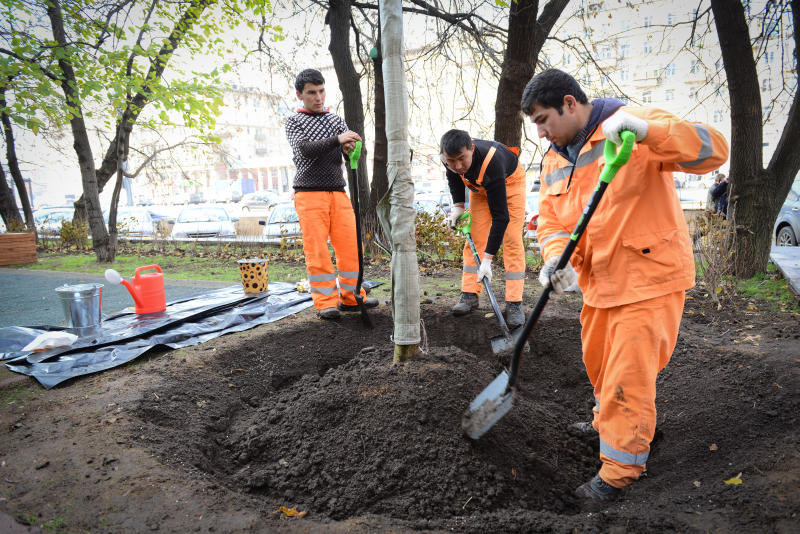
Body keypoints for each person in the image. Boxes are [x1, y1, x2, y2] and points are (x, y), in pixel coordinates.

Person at [520, 69, 728, 502]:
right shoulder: (556, 158)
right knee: (599, 365)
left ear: (570, 104)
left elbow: (714, 150)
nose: (540, 132)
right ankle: (607, 423)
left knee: (626, 377)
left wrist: (651, 132)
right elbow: (553, 220)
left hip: (648, 278)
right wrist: (556, 257)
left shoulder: (632, 125)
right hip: (600, 284)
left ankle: (619, 470)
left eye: (543, 119)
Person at [285, 68, 378, 320]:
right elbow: (304, 150)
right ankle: (325, 302)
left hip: (338, 191)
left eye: (321, 91)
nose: (318, 97)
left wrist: (349, 148)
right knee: (317, 250)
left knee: (351, 246)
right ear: (299, 95)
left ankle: (351, 297)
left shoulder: (336, 120)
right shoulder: (294, 121)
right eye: (312, 93)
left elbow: (342, 152)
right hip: (308, 193)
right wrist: (338, 140)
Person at [439, 129, 528, 328]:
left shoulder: (492, 161)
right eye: (451, 161)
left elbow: (500, 217)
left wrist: (487, 260)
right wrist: (458, 208)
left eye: (462, 159)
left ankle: (514, 303)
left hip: (509, 183)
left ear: (471, 148)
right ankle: (470, 294)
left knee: (511, 239)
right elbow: (454, 177)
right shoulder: (449, 161)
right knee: (475, 237)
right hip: (479, 188)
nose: (457, 165)